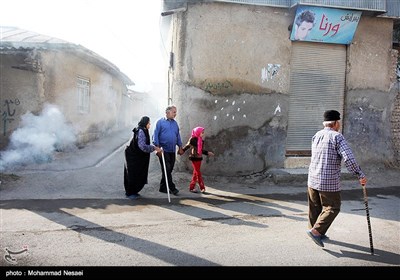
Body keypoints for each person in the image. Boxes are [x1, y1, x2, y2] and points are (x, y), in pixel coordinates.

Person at [306, 110, 367, 247]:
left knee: (315, 207)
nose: (339, 124)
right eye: (338, 122)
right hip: (328, 181)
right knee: (333, 207)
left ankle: (315, 231)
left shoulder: (317, 135)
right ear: (335, 123)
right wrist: (359, 174)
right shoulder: (337, 137)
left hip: (313, 178)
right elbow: (349, 159)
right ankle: (316, 232)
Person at [124, 116, 161, 199]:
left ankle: (134, 191)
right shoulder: (141, 131)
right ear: (145, 123)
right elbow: (142, 146)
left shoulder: (143, 130)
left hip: (137, 156)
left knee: (138, 173)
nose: (150, 125)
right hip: (132, 156)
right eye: (149, 123)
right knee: (133, 173)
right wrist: (154, 148)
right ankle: (130, 193)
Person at [153, 105, 184, 195]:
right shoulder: (160, 122)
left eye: (175, 112)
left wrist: (180, 147)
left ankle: (162, 187)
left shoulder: (175, 123)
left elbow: (177, 135)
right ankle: (172, 188)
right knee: (166, 169)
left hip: (172, 150)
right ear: (167, 112)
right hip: (163, 150)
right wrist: (157, 148)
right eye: (174, 112)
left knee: (169, 169)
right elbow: (155, 135)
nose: (175, 114)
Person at [182, 126, 215, 193]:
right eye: (201, 132)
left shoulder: (201, 140)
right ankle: (202, 187)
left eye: (203, 133)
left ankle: (191, 187)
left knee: (195, 172)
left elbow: (201, 150)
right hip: (194, 157)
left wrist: (207, 153)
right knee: (198, 172)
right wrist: (182, 150)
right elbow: (187, 146)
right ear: (198, 132)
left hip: (199, 158)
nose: (203, 134)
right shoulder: (193, 140)